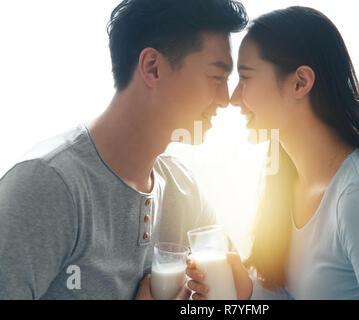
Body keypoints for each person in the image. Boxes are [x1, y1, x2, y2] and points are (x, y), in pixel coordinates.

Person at [189, 6, 359, 300]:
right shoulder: (288, 181)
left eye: (246, 78)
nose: (234, 99)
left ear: (300, 82)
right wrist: (247, 293)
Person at [0, 0, 248, 300]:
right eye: (216, 77)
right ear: (152, 68)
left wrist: (235, 296)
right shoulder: (47, 186)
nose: (225, 99)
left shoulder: (184, 192)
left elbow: (232, 292)